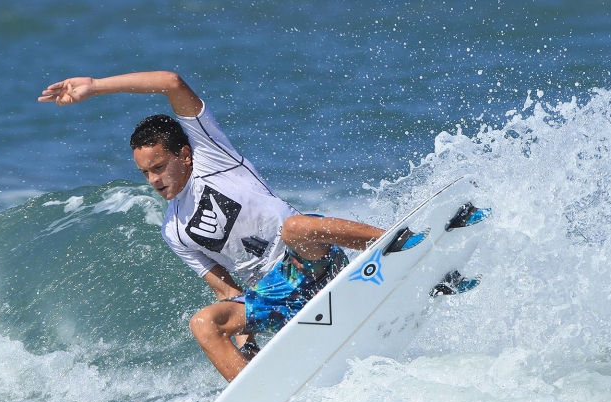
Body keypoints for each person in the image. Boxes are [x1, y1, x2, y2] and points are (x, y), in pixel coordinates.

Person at [39, 71, 383, 381]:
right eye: (145, 173)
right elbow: (228, 293)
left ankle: (396, 242)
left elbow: (171, 82)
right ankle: (256, 396)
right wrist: (247, 341)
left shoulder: (213, 154)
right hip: (277, 297)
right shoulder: (174, 230)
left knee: (294, 227)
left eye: (159, 167)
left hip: (311, 259)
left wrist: (96, 87)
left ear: (185, 155)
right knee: (203, 323)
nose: (154, 180)